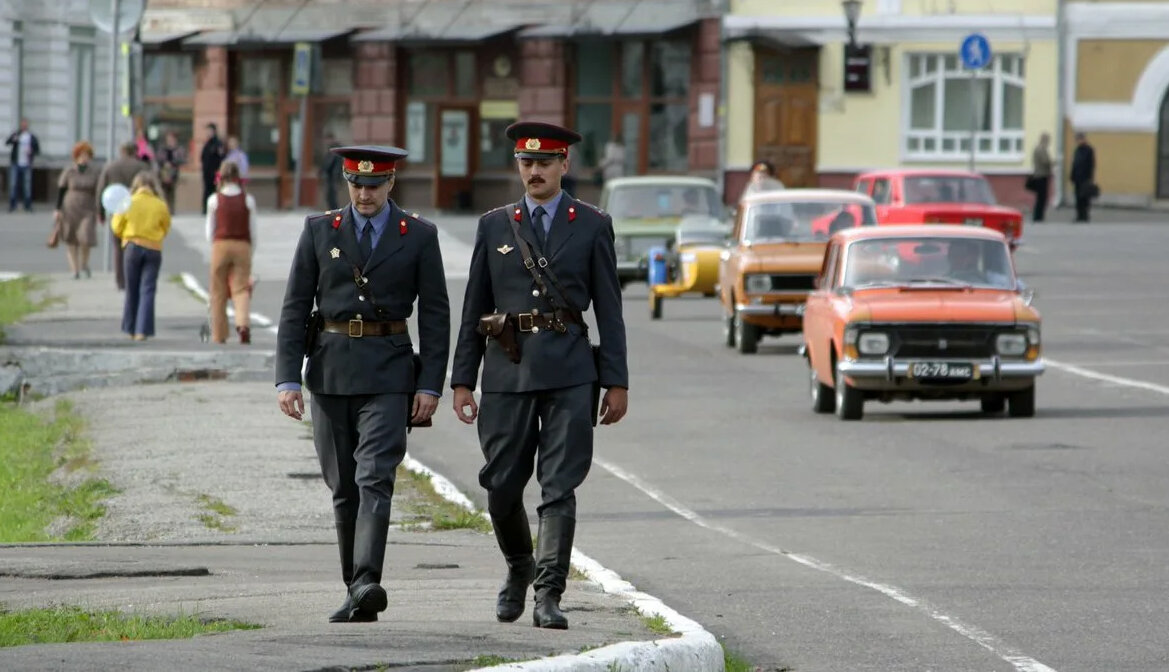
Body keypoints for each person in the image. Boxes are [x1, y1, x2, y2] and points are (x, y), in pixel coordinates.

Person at [450, 121, 629, 630]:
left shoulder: (591, 224)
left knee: (559, 485)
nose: (535, 171)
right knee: (502, 485)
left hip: (571, 371)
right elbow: (473, 308)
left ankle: (548, 593)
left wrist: (616, 381)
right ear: (518, 166)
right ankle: (519, 566)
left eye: (545, 162)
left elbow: (610, 312)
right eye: (527, 163)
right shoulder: (494, 225)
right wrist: (462, 380)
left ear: (564, 166)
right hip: (507, 370)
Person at [274, 145, 450, 624]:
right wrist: (287, 377)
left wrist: (430, 385)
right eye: (356, 184)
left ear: (391, 183)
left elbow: (435, 316)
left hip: (390, 374)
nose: (364, 193)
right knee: (343, 486)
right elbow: (294, 307)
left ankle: (368, 578)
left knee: (375, 476)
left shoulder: (417, 235)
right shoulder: (319, 231)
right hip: (330, 372)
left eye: (373, 185)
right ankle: (356, 588)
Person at [110, 172, 171, 341]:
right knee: (148, 289)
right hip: (153, 248)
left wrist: (126, 236)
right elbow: (166, 226)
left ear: (135, 186)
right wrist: (155, 235)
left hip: (132, 247)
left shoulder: (127, 202)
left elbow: (116, 226)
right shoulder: (160, 205)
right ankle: (142, 331)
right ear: (153, 186)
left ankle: (130, 328)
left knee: (132, 289)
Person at [205, 160, 257, 345]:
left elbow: (209, 231)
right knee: (241, 288)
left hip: (220, 244)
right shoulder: (247, 200)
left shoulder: (214, 200)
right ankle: (243, 325)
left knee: (218, 291)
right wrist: (251, 250)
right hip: (242, 245)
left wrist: (215, 246)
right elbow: (253, 230)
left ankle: (219, 334)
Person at [97, 142, 150, 291]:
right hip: (137, 210)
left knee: (118, 247)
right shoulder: (142, 167)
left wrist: (100, 212)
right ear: (135, 152)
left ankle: (120, 281)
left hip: (117, 210)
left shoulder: (110, 167)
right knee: (137, 244)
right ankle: (134, 279)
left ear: (121, 151)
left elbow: (101, 190)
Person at [54, 141, 100, 279]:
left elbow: (98, 191)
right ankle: (75, 270)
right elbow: (61, 190)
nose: (84, 158)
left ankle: (84, 263)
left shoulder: (94, 172)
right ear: (76, 156)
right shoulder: (69, 171)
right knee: (71, 239)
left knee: (86, 238)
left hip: (88, 207)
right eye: (81, 155)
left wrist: (99, 210)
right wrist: (58, 209)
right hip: (70, 207)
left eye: (86, 155)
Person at [7, 118, 40, 212]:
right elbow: (7, 142)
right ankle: (12, 205)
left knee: (27, 185)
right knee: (13, 185)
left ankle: (28, 205)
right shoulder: (16, 134)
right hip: (16, 163)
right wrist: (14, 140)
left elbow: (37, 149)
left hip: (27, 164)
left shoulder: (31, 136)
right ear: (21, 125)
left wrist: (31, 151)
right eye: (22, 124)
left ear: (27, 125)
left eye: (25, 124)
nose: (24, 125)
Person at [157, 131, 187, 214]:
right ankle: (164, 210)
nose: (170, 141)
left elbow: (182, 160)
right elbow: (159, 159)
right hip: (163, 173)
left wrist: (173, 164)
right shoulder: (163, 149)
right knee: (164, 193)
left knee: (172, 192)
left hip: (173, 173)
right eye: (168, 139)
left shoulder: (178, 149)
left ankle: (171, 210)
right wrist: (164, 164)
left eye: (171, 139)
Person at [1070, 132, 1096, 223]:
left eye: (1080, 139)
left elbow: (1091, 165)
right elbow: (1074, 164)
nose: (1078, 141)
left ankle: (1085, 215)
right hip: (1077, 178)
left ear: (1084, 139)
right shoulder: (1077, 150)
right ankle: (1079, 215)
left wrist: (1090, 178)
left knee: (1085, 198)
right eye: (1077, 139)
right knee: (1077, 198)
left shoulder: (1089, 150)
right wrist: (1072, 176)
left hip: (1085, 178)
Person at [200, 123, 225, 214]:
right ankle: (206, 209)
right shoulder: (207, 144)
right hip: (206, 173)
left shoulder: (218, 144)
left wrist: (218, 171)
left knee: (215, 191)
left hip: (215, 173)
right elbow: (203, 157)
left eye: (210, 131)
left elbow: (221, 157)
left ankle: (215, 210)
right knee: (207, 190)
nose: (208, 133)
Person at [1028, 133, 1052, 222]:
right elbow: (1045, 161)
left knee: (1040, 198)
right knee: (1041, 198)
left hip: (1039, 175)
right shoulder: (1041, 149)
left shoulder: (1038, 148)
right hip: (1041, 176)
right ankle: (1038, 217)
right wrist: (1053, 162)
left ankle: (1038, 216)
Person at [318, 133, 343, 211]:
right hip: (331, 177)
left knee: (332, 197)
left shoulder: (335, 150)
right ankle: (333, 211)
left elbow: (329, 163)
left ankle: (334, 212)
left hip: (334, 177)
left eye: (328, 140)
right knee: (330, 197)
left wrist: (322, 171)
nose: (327, 142)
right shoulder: (332, 149)